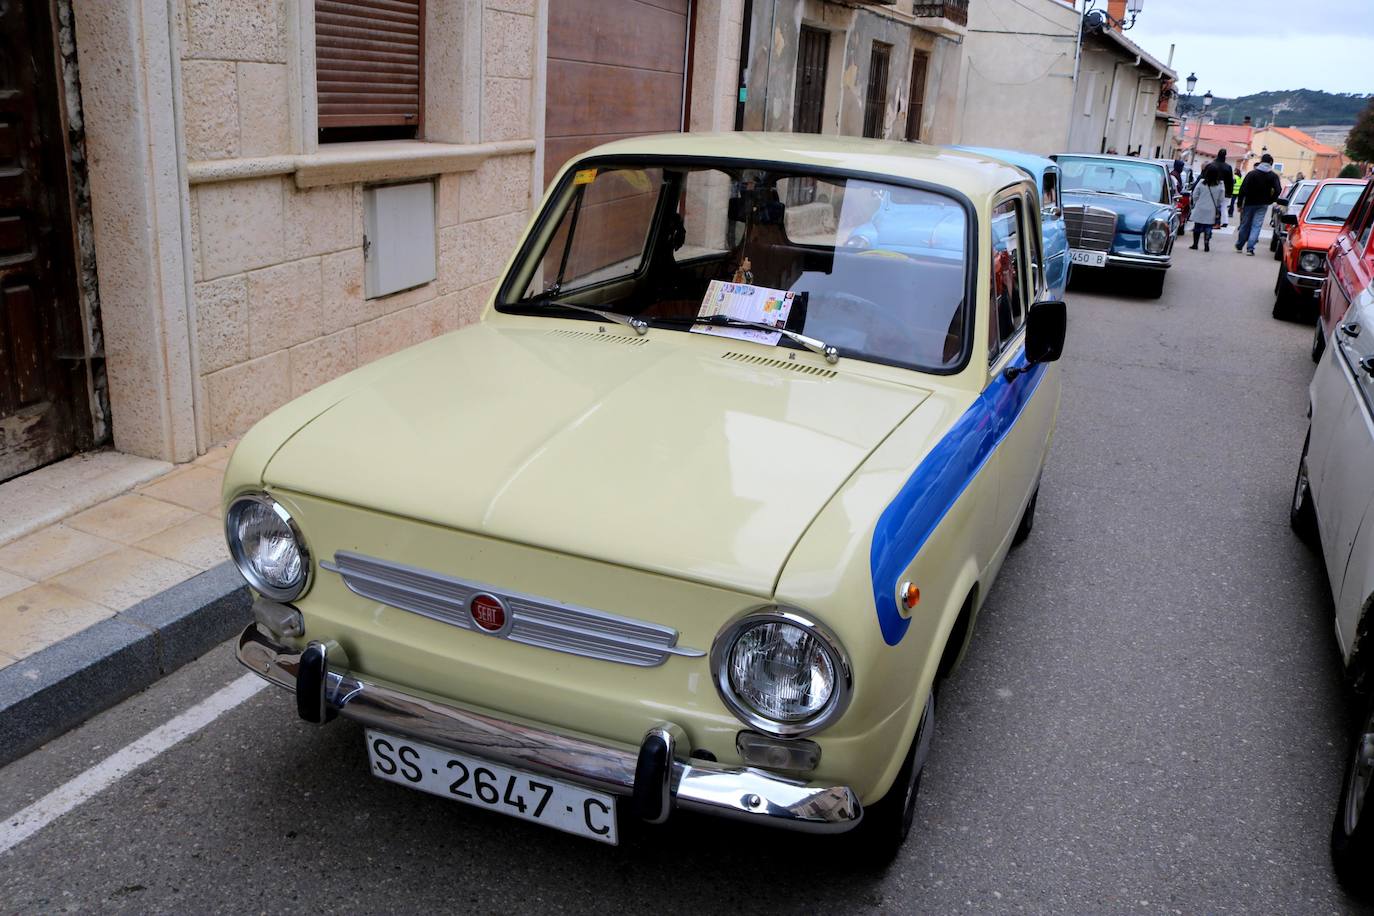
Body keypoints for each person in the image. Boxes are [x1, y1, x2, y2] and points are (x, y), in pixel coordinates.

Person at [1234, 152, 1284, 255]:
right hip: (1263, 203)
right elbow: (1278, 189)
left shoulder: (1252, 174)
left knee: (1245, 224)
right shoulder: (1273, 176)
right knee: (1256, 225)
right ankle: (1250, 248)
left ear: (1261, 162)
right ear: (1271, 163)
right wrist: (1271, 199)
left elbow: (1242, 189)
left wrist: (1239, 204)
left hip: (1249, 202)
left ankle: (1240, 245)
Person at [1188, 167, 1225, 251]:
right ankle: (1206, 243)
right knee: (1208, 227)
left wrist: (1196, 202)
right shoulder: (1220, 184)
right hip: (1211, 209)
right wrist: (1217, 204)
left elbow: (1195, 194)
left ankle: (1195, 244)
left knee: (1197, 226)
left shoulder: (1202, 182)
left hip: (1200, 207)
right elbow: (1221, 198)